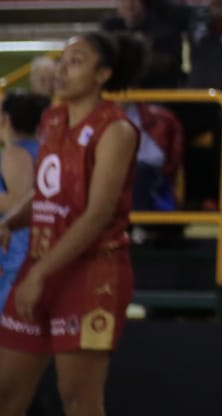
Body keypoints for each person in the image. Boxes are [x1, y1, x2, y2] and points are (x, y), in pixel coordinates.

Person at [0, 31, 142, 416]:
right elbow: (48, 194)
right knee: (5, 392)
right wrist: (10, 222)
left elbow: (97, 214)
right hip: (41, 265)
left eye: (76, 61)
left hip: (93, 273)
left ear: (103, 74)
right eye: (62, 59)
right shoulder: (53, 117)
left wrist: (40, 274)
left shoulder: (116, 129)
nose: (62, 69)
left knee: (78, 399)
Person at [0, 93, 42, 309]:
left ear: (4, 119)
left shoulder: (15, 154)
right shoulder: (44, 149)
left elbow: (19, 201)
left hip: (16, 255)